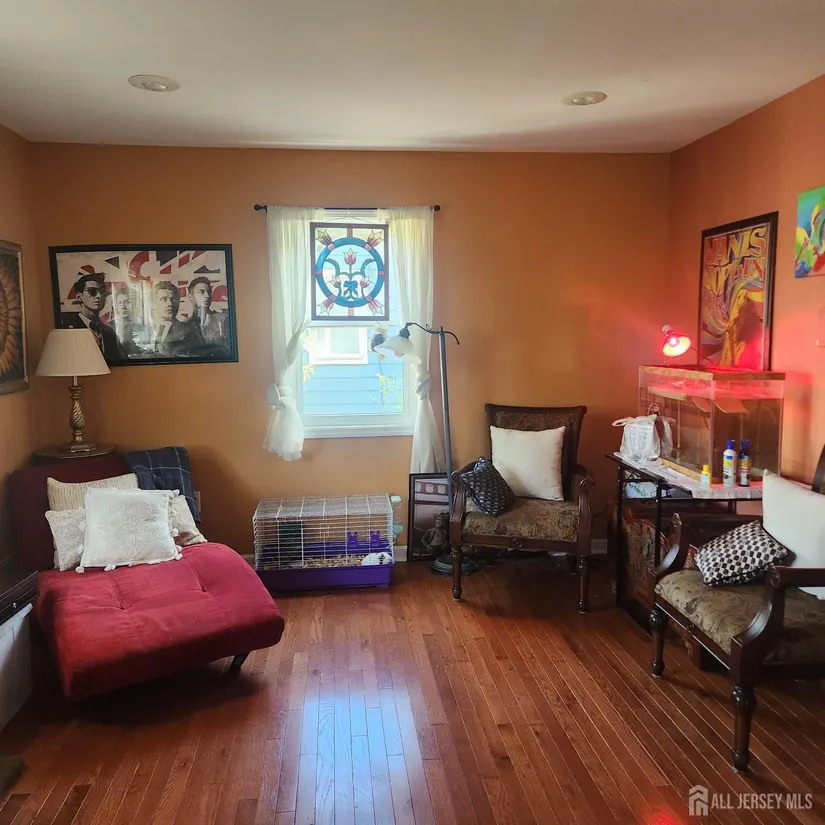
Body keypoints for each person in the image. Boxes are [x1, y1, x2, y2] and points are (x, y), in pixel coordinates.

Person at [59, 270, 125, 362]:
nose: (99, 296)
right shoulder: (68, 329)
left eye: (101, 292)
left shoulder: (109, 332)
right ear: (78, 297)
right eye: (91, 291)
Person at [150, 281, 202, 357]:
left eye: (173, 299)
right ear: (153, 304)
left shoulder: (189, 332)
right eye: (164, 299)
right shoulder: (150, 331)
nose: (170, 304)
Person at [186, 276, 230, 356]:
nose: (207, 296)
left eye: (208, 292)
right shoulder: (185, 325)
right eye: (201, 292)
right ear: (191, 297)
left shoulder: (223, 320)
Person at [107, 286, 143, 357]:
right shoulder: (109, 327)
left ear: (133, 304)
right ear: (116, 305)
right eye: (120, 303)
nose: (123, 306)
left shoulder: (140, 325)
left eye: (127, 302)